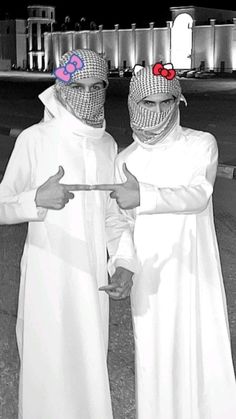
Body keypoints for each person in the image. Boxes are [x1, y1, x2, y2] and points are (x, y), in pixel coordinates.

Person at [92, 62, 236, 418]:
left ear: (177, 102)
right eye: (148, 104)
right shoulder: (125, 160)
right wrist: (123, 264)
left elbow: (197, 195)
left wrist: (145, 195)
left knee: (201, 355)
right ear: (133, 105)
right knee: (155, 361)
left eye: (165, 102)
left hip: (193, 273)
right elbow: (116, 221)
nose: (157, 112)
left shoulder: (201, 144)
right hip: (152, 276)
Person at [0, 48, 136, 419]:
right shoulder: (35, 139)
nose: (88, 96)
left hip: (91, 282)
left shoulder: (107, 144)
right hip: (48, 279)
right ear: (61, 88)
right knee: (46, 370)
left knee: (88, 369)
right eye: (78, 86)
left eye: (97, 87)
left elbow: (114, 216)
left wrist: (123, 262)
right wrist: (35, 200)